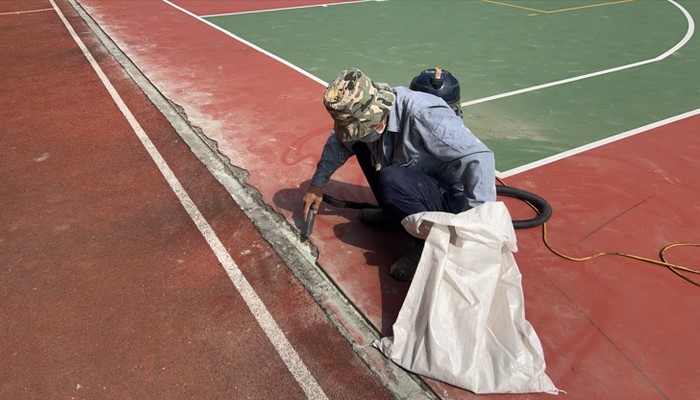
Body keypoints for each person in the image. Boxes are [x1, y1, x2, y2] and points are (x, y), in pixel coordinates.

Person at [302, 68, 496, 281]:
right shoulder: (366, 113)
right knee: (363, 146)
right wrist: (317, 184)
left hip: (449, 197)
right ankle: (393, 212)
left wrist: (475, 223)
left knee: (391, 179)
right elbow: (339, 142)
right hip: (417, 182)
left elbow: (480, 158)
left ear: (377, 120)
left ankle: (427, 248)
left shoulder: (422, 114)